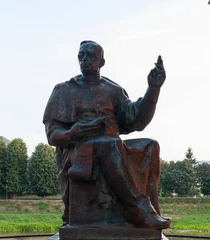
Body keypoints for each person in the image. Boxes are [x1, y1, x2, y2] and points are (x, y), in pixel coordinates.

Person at [43, 40, 170, 229]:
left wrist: (153, 89)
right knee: (108, 143)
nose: (85, 60)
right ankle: (139, 210)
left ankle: (151, 211)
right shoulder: (64, 90)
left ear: (101, 62)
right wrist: (73, 132)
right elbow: (53, 135)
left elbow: (136, 119)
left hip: (113, 148)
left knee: (150, 145)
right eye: (81, 56)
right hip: (77, 152)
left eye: (90, 56)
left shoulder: (113, 90)